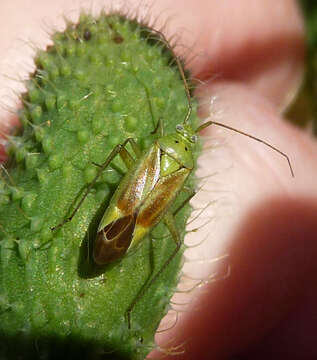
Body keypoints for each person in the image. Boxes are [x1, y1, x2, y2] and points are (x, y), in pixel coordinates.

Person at [0, 1, 316, 359]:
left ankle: (69, 220)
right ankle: (97, 251)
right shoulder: (178, 168)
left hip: (132, 202)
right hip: (146, 211)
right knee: (166, 232)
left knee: (121, 154)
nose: (184, 135)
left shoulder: (157, 148)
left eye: (185, 136)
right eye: (184, 135)